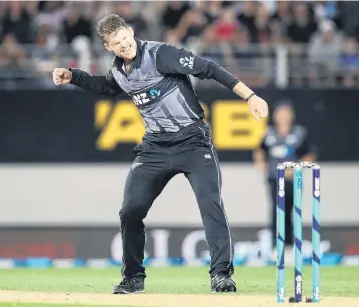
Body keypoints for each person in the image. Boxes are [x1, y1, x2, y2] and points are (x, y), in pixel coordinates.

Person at [52, 14, 268, 294]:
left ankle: (221, 274)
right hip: (154, 147)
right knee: (130, 210)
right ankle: (133, 277)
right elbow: (107, 87)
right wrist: (73, 76)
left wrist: (250, 97)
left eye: (126, 38)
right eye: (117, 43)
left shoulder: (161, 54)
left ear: (131, 31)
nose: (124, 45)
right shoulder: (119, 70)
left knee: (210, 205)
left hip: (193, 143)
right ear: (107, 46)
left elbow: (209, 68)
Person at [253, 102, 314, 249]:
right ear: (275, 116)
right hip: (275, 177)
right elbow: (259, 150)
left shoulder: (299, 133)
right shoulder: (269, 133)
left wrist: (294, 169)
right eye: (281, 114)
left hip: (293, 179)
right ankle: (276, 245)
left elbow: (309, 155)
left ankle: (290, 245)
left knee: (292, 210)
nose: (284, 117)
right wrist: (261, 163)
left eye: (287, 114)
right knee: (276, 210)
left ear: (292, 116)